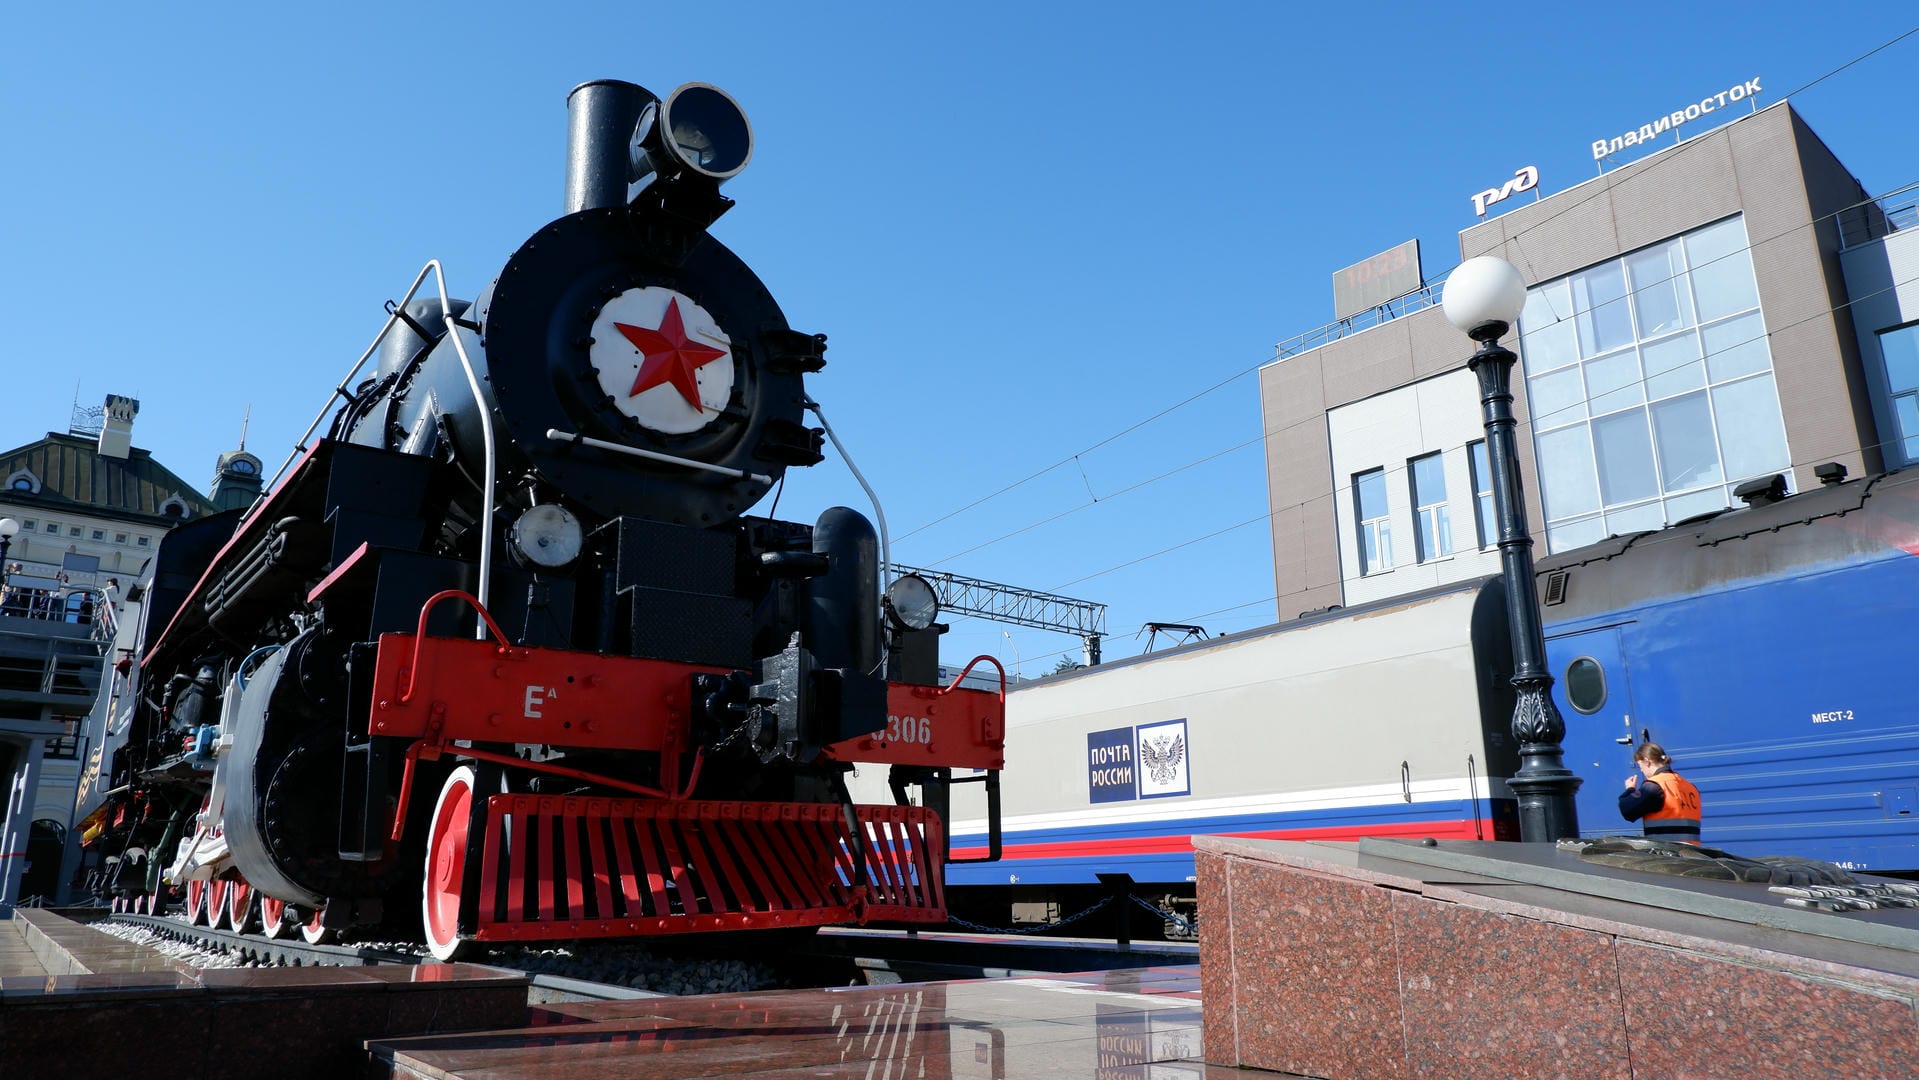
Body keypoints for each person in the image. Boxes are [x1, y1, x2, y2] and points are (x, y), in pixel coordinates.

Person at [1618, 742, 1702, 844]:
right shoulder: (1691, 787)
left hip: (1667, 854)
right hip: (1694, 854)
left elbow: (1627, 811)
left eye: (1640, 766)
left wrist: (1629, 790)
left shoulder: (1654, 787)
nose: (1641, 770)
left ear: (1647, 762)